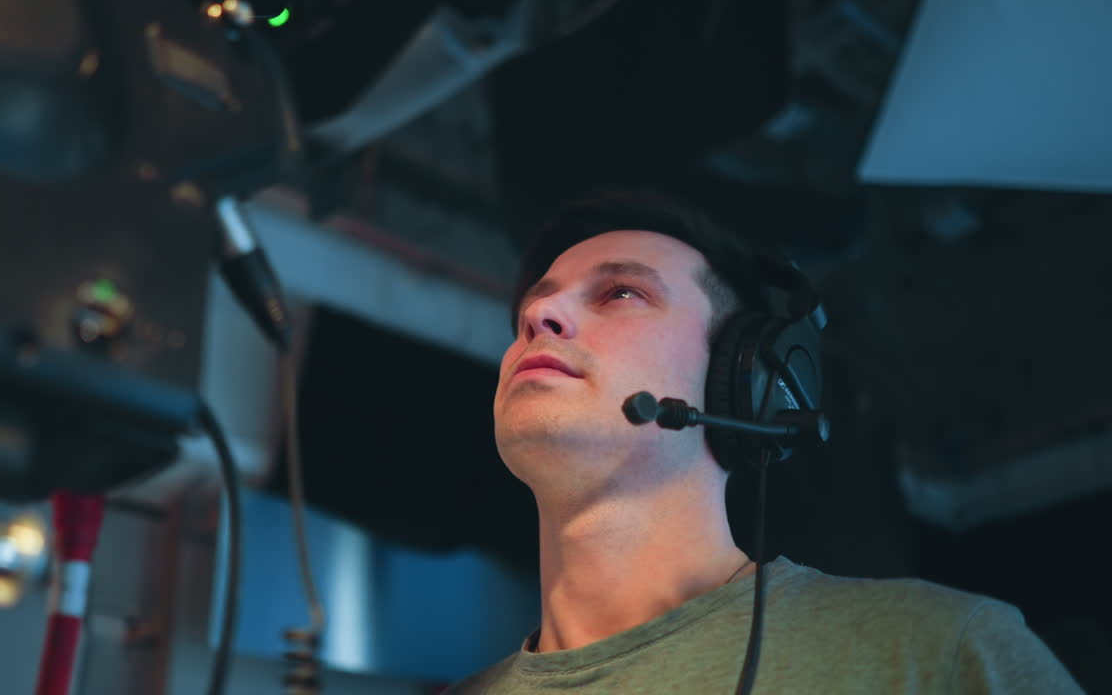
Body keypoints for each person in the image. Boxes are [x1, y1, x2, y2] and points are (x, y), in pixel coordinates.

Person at [444, 191, 1083, 693]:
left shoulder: (935, 651)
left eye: (621, 293)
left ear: (744, 385)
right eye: (529, 313)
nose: (539, 317)